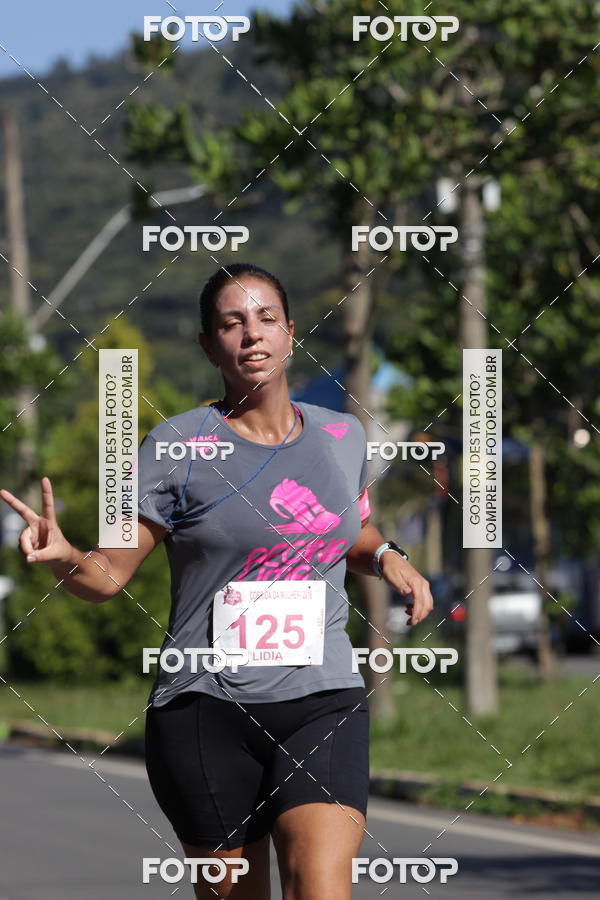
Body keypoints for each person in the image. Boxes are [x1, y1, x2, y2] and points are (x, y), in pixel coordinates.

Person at [0, 262, 433, 899]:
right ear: (210, 346)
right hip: (206, 711)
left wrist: (387, 553)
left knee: (321, 886)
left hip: (324, 699)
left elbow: (342, 530)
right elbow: (106, 576)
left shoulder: (343, 436)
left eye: (265, 320)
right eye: (232, 324)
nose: (251, 336)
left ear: (290, 331)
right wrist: (64, 554)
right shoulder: (169, 448)